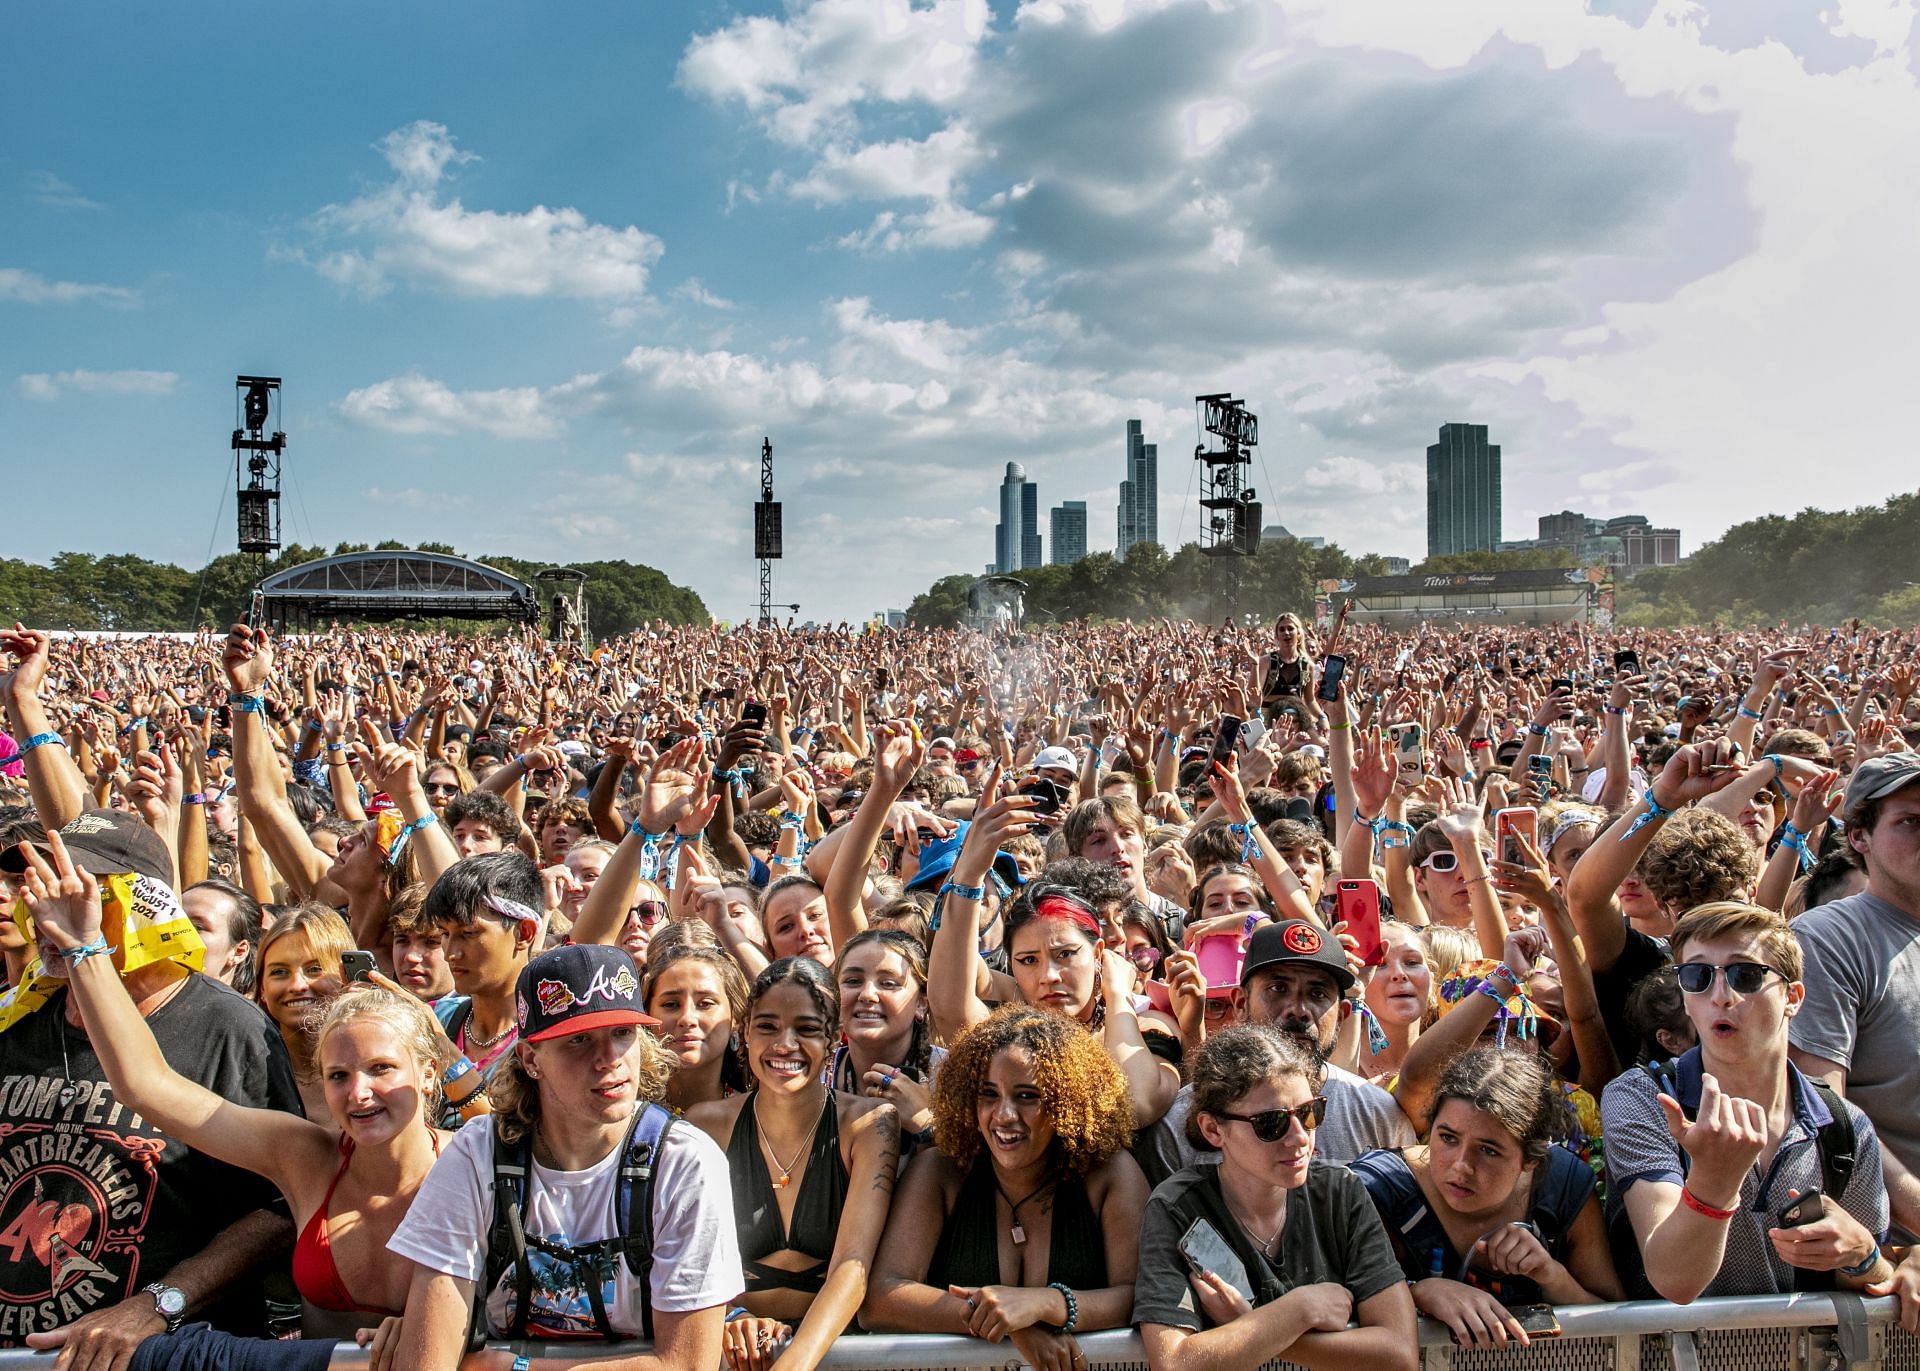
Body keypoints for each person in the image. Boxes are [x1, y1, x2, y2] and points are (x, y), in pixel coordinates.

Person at [27, 830, 460, 1356]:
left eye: (382, 1068)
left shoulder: (471, 1161)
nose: (359, 1093)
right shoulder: (307, 1157)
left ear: (431, 1073)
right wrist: (84, 948)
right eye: (338, 1076)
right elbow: (145, 1085)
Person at [0, 815, 299, 1358]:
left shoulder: (228, 1027)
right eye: (38, 888)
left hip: (159, 1353)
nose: (44, 910)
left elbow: (281, 1207)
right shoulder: (16, 1018)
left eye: (73, 891)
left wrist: (157, 1305)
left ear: (144, 908)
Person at [390, 943, 743, 1369]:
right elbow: (426, 1364)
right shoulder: (477, 1153)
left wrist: (516, 1368)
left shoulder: (685, 1162)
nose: (610, 1059)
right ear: (530, 1058)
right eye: (578, 1040)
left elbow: (686, 1365)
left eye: (622, 1033)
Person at [1603, 902, 1890, 1301]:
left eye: (1746, 975)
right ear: (1685, 999)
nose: (1721, 995)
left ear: (1793, 998)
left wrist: (1863, 1255)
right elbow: (1674, 1281)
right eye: (1698, 976)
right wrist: (1713, 1183)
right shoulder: (1645, 1098)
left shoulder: (1844, 1125)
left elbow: (1874, 1281)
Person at [865, 1006, 1148, 1371]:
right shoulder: (940, 1171)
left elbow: (1141, 1297)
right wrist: (1002, 1323)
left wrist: (1047, 1304)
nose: (1003, 1115)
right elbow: (880, 1298)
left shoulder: (1111, 1173)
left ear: (1068, 1102)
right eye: (988, 1094)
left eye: (1027, 1096)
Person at [1135, 1025, 1415, 1371]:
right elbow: (1175, 1363)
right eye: (1271, 1123)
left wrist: (1251, 1324)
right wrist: (1298, 1310)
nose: (1300, 1138)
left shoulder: (1340, 1191)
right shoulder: (1177, 1207)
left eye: (1310, 1113)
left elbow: (1399, 1352)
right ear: (1212, 1129)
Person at [686, 958, 898, 1371]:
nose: (785, 1045)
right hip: (733, 1355)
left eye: (805, 1029)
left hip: (835, 1355)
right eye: (767, 1026)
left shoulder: (870, 1125)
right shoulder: (704, 1125)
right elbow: (692, 1261)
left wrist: (794, 1364)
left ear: (835, 1039)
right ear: (744, 1031)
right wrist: (731, 1317)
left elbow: (851, 1269)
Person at [1352, 1048, 1621, 1348]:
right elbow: (1329, 1307)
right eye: (1448, 1138)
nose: (1461, 1166)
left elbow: (1622, 1328)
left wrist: (1553, 1277)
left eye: (1489, 1150)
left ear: (1531, 1159)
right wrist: (1419, 1292)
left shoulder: (1563, 1187)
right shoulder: (1377, 1191)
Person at [1789, 752, 1920, 1321]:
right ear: (1859, 836)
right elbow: (1825, 1109)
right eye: (1911, 821)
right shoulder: (1829, 939)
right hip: (1892, 1260)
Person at [1147, 919, 1414, 1183]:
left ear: (1342, 1015)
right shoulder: (1180, 1123)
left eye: (1318, 994)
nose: (1298, 1010)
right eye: (1278, 989)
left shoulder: (1378, 1116)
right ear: (1240, 1005)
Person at [421, 852, 544, 1084]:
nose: (450, 954)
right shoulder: (437, 1016)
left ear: (524, 933)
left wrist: (443, 1049)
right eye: (444, 934)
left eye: (468, 933)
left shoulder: (548, 1039)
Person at [831, 928, 939, 1143]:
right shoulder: (815, 1074)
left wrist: (926, 1123)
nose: (867, 994)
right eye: (852, 981)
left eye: (888, 983)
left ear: (921, 1004)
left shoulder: (950, 1074)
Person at [254, 904, 354, 1120]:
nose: (297, 985)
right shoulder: (247, 1072)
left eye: (314, 969)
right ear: (262, 988)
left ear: (345, 976)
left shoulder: (379, 1066)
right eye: (279, 972)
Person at [646, 938, 752, 1109]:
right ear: (647, 1014)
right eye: (671, 1005)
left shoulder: (757, 1118)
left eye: (705, 1004)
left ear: (736, 1018)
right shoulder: (626, 1116)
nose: (687, 1019)